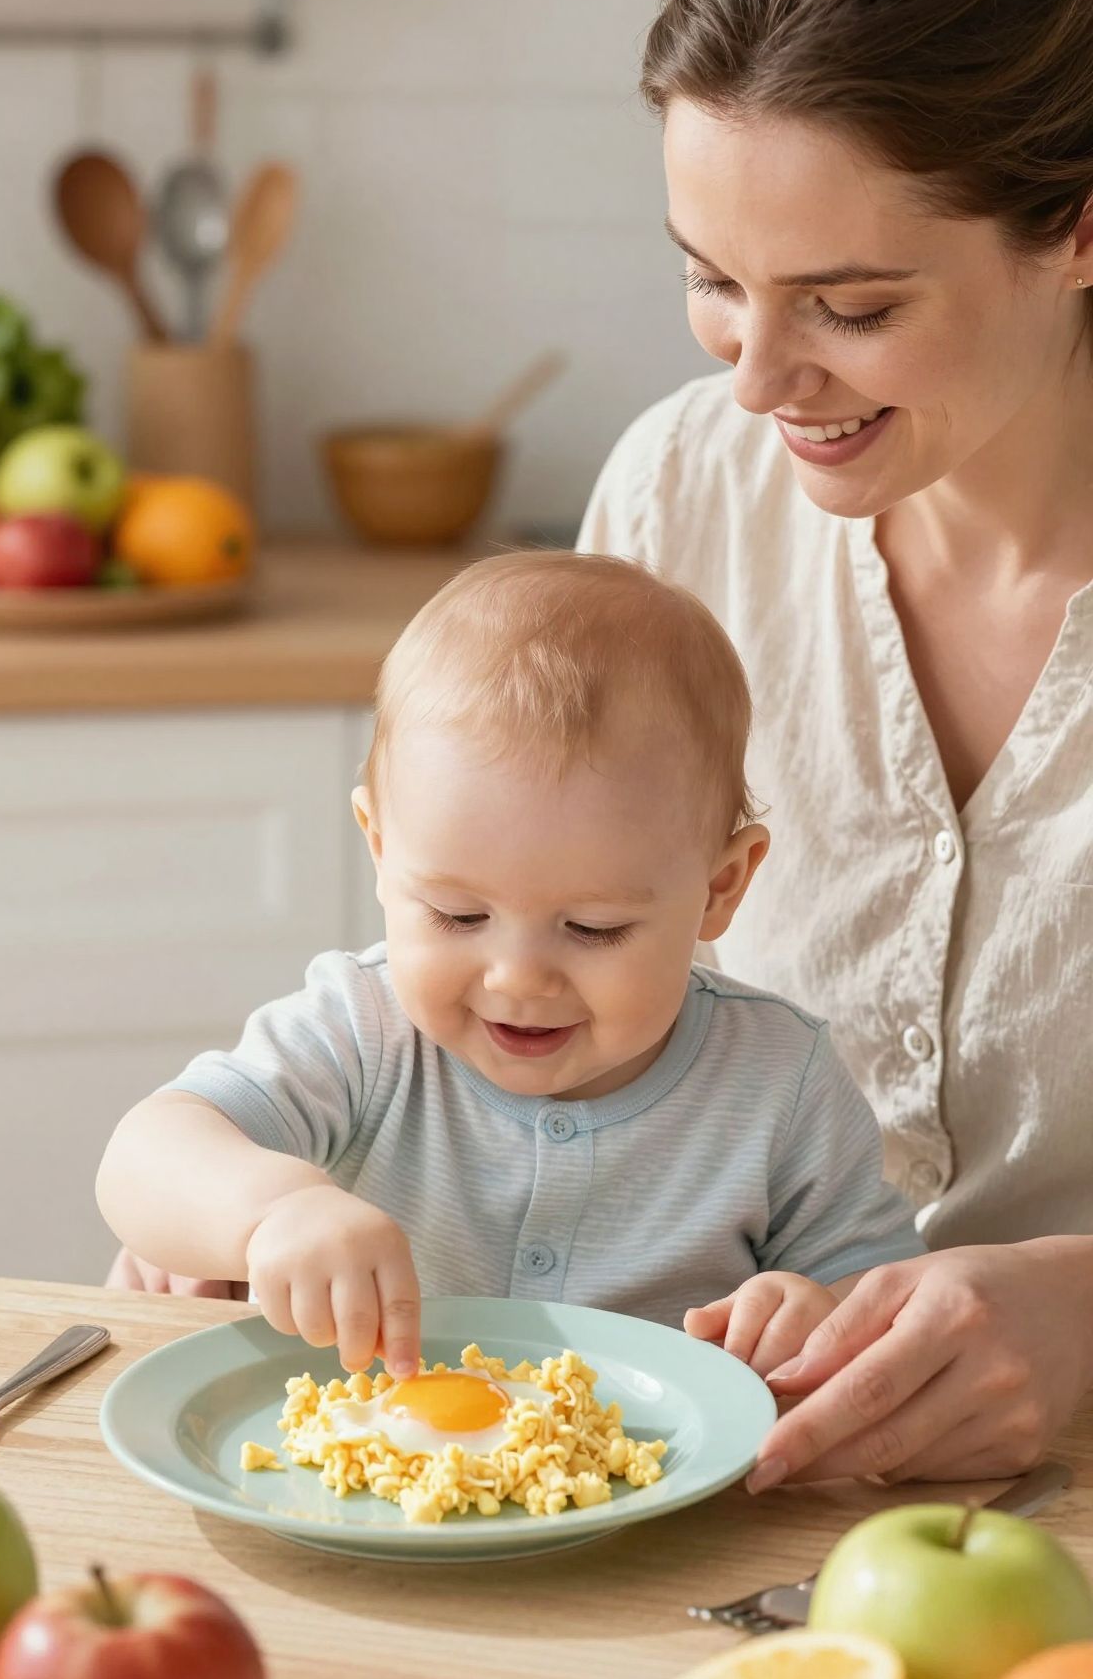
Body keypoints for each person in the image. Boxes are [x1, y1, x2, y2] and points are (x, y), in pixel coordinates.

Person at [578, 0, 1093, 1490]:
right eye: (710, 281)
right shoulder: (677, 498)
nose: (756, 381)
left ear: (1077, 229)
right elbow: (499, 958)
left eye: (849, 305)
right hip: (711, 1475)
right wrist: (293, 1183)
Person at [96, 553, 923, 1379]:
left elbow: (883, 1306)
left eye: (594, 927)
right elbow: (144, 1154)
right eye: (459, 916)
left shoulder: (782, 1081)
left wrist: (816, 1314)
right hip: (370, 1491)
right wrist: (273, 1211)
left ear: (720, 886)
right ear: (380, 851)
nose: (519, 979)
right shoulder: (362, 1030)